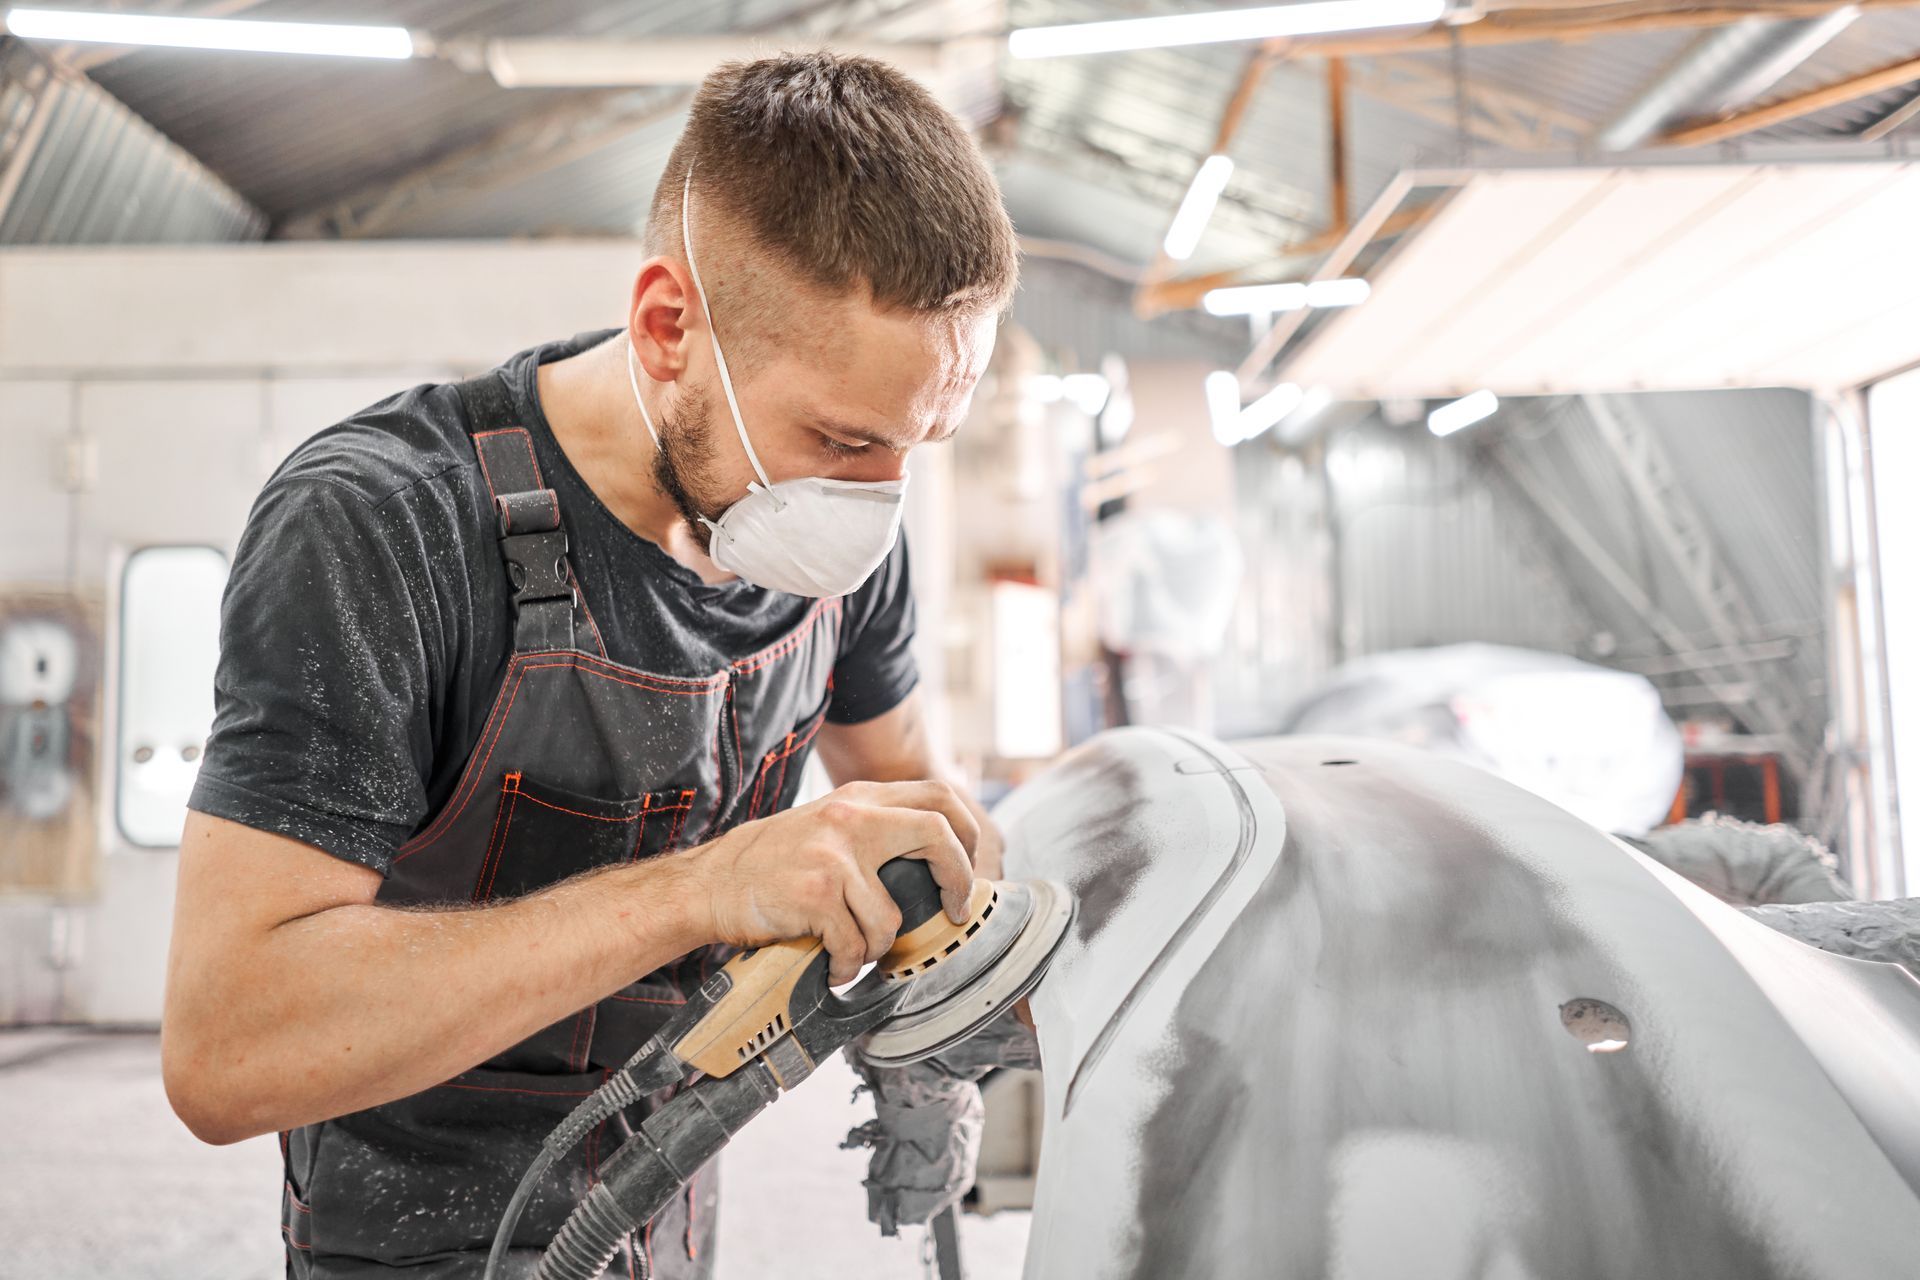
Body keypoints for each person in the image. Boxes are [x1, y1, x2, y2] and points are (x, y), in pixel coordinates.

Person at [159, 52, 1019, 1279]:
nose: (878, 498)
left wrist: (945, 1006)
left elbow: (916, 803)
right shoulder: (383, 527)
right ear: (670, 326)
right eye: (840, 436)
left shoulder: (838, 533)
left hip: (666, 1225)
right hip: (415, 1251)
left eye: (918, 443)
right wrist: (702, 889)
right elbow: (227, 1046)